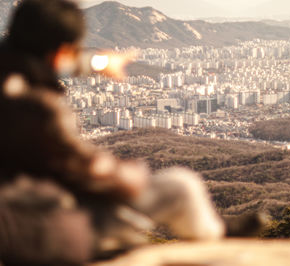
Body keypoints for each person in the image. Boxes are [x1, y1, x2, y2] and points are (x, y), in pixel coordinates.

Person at [0, 0, 226, 265]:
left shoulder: (11, 76)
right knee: (181, 186)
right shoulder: (41, 109)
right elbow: (93, 169)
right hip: (47, 231)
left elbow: (49, 62)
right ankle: (221, 246)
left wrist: (98, 61)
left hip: (17, 222)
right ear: (61, 51)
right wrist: (133, 174)